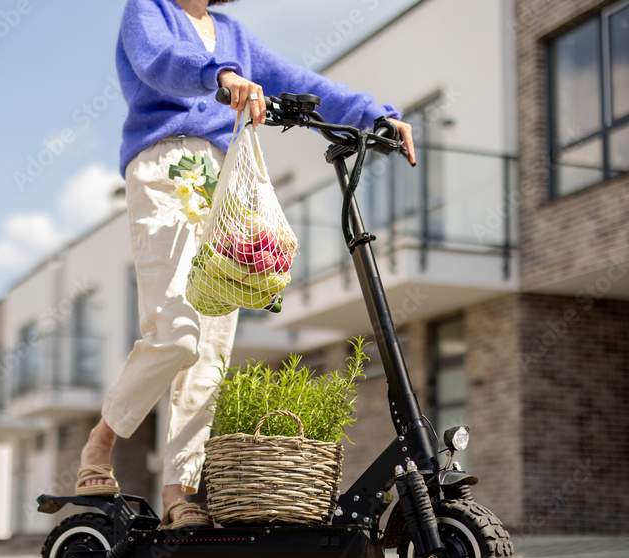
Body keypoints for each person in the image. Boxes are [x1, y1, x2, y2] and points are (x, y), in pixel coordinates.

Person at [75, 0, 415, 529]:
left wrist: (375, 116)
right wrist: (222, 76)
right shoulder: (149, 9)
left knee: (211, 349)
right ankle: (100, 444)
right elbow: (159, 61)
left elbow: (296, 80)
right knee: (177, 332)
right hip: (165, 168)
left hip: (222, 179)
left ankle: (179, 491)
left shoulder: (233, 33)